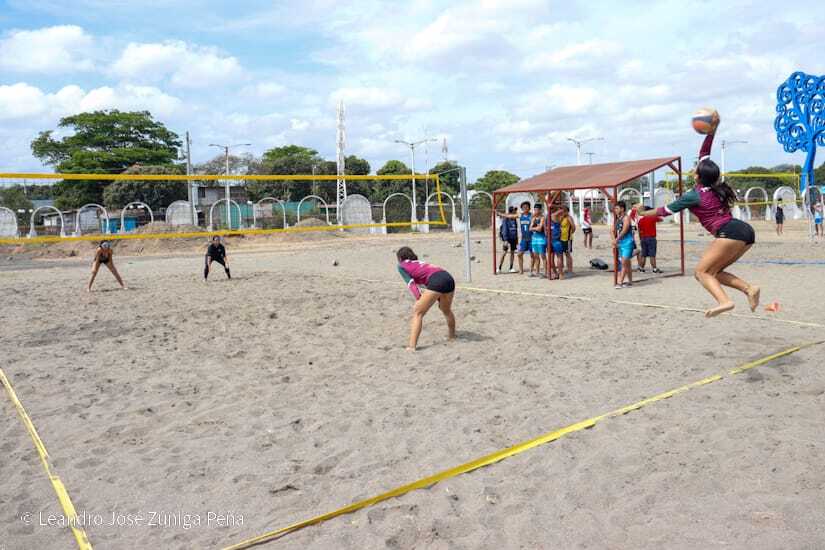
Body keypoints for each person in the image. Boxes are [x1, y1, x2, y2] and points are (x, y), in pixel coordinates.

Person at [635, 126, 760, 317]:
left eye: (695, 169)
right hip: (746, 232)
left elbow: (664, 211)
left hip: (728, 231)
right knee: (715, 273)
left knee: (701, 273)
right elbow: (704, 153)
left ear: (698, 176)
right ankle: (749, 289)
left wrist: (643, 212)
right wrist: (713, 129)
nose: (694, 169)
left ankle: (725, 301)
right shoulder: (716, 185)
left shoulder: (693, 195)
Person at [396, 247, 456, 351]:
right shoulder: (419, 263)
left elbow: (411, 283)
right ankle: (452, 336)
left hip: (437, 280)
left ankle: (411, 346)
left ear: (400, 258)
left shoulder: (401, 266)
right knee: (446, 310)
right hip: (448, 277)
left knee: (418, 312)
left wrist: (419, 298)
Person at [611, 201, 635, 288]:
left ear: (622, 208)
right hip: (621, 243)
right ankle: (630, 281)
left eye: (617, 208)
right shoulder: (618, 219)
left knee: (624, 262)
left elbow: (624, 230)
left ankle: (620, 282)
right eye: (615, 208)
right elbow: (612, 230)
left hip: (628, 242)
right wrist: (614, 240)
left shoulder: (626, 218)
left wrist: (617, 239)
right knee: (626, 263)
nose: (615, 210)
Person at [636, 205, 663, 273]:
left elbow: (639, 231)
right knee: (652, 255)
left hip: (643, 239)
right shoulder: (652, 218)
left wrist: (640, 239)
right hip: (651, 238)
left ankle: (641, 268)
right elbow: (661, 219)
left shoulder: (641, 220)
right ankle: (654, 269)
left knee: (644, 255)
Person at [497, 206, 519, 273]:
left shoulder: (514, 219)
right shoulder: (506, 219)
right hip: (507, 238)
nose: (515, 211)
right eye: (514, 210)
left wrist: (517, 238)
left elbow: (515, 229)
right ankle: (499, 268)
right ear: (511, 211)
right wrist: (505, 239)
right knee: (504, 252)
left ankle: (511, 267)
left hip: (513, 238)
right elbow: (504, 230)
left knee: (512, 252)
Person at [529, 203, 547, 277]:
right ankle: (537, 272)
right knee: (536, 256)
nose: (536, 211)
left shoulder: (542, 218)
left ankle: (546, 272)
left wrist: (535, 228)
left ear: (540, 210)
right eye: (535, 209)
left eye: (537, 209)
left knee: (543, 256)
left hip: (541, 239)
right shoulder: (533, 218)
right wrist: (535, 228)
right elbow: (530, 228)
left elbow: (540, 229)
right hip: (534, 239)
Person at [549, 208, 565, 280]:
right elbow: (562, 210)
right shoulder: (554, 216)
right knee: (559, 257)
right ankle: (560, 274)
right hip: (555, 240)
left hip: (550, 239)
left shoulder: (548, 216)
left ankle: (555, 273)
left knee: (551, 257)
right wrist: (558, 206)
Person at [562, 205, 576, 273]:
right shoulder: (561, 218)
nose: (563, 212)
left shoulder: (569, 217)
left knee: (567, 254)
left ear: (567, 211)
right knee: (562, 254)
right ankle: (566, 268)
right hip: (561, 238)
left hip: (567, 239)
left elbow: (573, 227)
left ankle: (570, 269)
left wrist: (570, 233)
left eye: (564, 211)